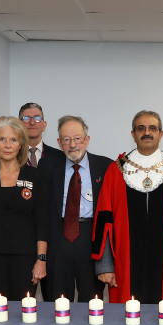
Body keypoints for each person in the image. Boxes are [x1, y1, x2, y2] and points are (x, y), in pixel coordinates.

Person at [91, 110, 163, 304]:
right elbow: (104, 217)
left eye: (152, 128)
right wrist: (105, 266)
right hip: (123, 263)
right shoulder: (116, 170)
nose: (147, 132)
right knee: (125, 323)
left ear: (161, 134)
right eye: (141, 128)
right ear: (133, 134)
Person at [0, 116, 49, 300]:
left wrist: (41, 259)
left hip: (26, 258)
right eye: (2, 139)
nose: (7, 145)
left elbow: (42, 221)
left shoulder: (36, 176)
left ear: (21, 144)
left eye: (13, 140)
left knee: (22, 314)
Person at [43, 115, 112, 301]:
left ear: (87, 140)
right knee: (57, 299)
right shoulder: (47, 167)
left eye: (78, 138)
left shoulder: (106, 166)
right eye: (66, 139)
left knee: (91, 300)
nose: (73, 144)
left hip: (91, 238)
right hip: (58, 238)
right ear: (59, 143)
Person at [18, 102, 65, 171]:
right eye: (26, 118)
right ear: (19, 125)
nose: (32, 122)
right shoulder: (12, 156)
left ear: (44, 125)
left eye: (37, 118)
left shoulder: (60, 157)